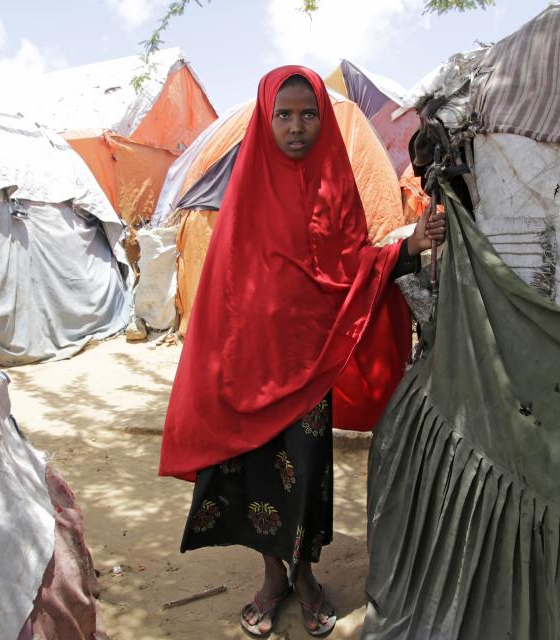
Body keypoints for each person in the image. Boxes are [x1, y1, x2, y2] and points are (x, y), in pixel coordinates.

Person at [158, 66, 444, 638]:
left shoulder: (337, 185)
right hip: (249, 367)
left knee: (305, 476)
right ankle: (271, 578)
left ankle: (307, 577)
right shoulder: (245, 190)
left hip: (308, 370)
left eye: (308, 115)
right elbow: (227, 285)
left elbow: (350, 270)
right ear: (266, 118)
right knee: (255, 478)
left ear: (323, 120)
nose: (296, 126)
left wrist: (404, 251)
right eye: (284, 115)